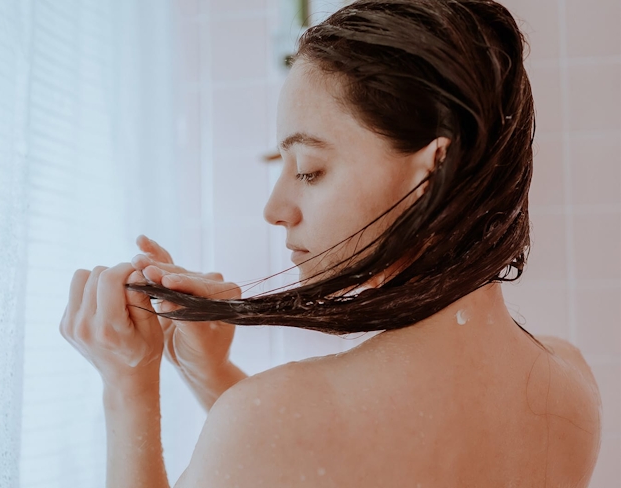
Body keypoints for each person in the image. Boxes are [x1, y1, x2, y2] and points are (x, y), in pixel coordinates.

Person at [59, 1, 602, 486]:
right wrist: (209, 373)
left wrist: (128, 388)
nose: (274, 210)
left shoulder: (272, 417)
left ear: (434, 170)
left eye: (310, 170)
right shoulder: (568, 383)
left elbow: (298, 448)